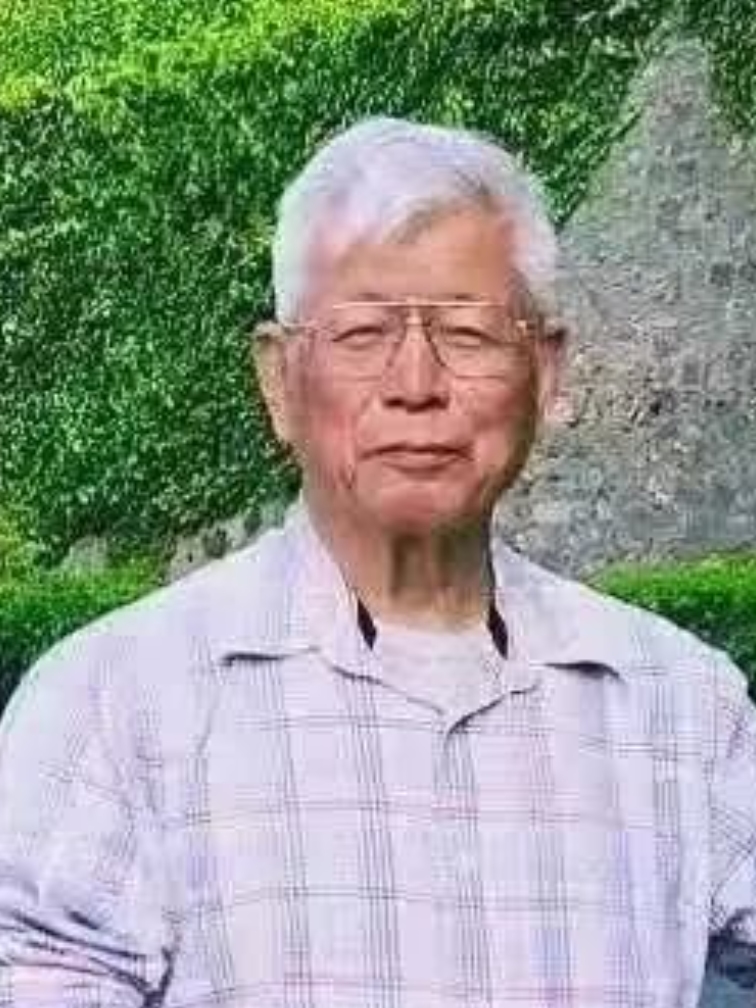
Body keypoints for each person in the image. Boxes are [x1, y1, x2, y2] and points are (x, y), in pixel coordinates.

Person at [0, 117, 753, 1008]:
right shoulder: (113, 701)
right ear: (280, 379)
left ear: (546, 372)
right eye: (361, 334)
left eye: (468, 334)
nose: (416, 385)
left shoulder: (683, 703)